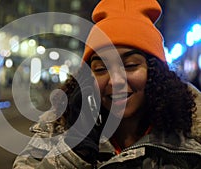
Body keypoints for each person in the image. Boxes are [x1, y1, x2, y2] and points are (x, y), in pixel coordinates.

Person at [13, 0, 201, 168]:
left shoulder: (193, 130)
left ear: (155, 72)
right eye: (101, 68)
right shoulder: (58, 126)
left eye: (130, 65)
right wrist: (74, 151)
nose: (116, 80)